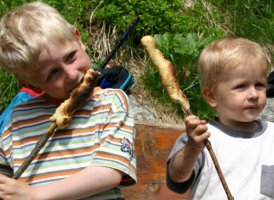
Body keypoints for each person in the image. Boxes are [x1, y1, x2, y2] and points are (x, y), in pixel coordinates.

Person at [0, 2, 136, 200]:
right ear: (33, 84)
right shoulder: (18, 120)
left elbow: (109, 172)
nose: (71, 75)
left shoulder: (111, 103)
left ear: (79, 40)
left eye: (71, 57)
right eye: (53, 73)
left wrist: (36, 194)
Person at [166, 38, 273, 199]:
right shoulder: (202, 137)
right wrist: (192, 148)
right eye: (241, 86)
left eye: (259, 85)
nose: (253, 94)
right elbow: (177, 180)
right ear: (212, 96)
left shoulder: (271, 135)